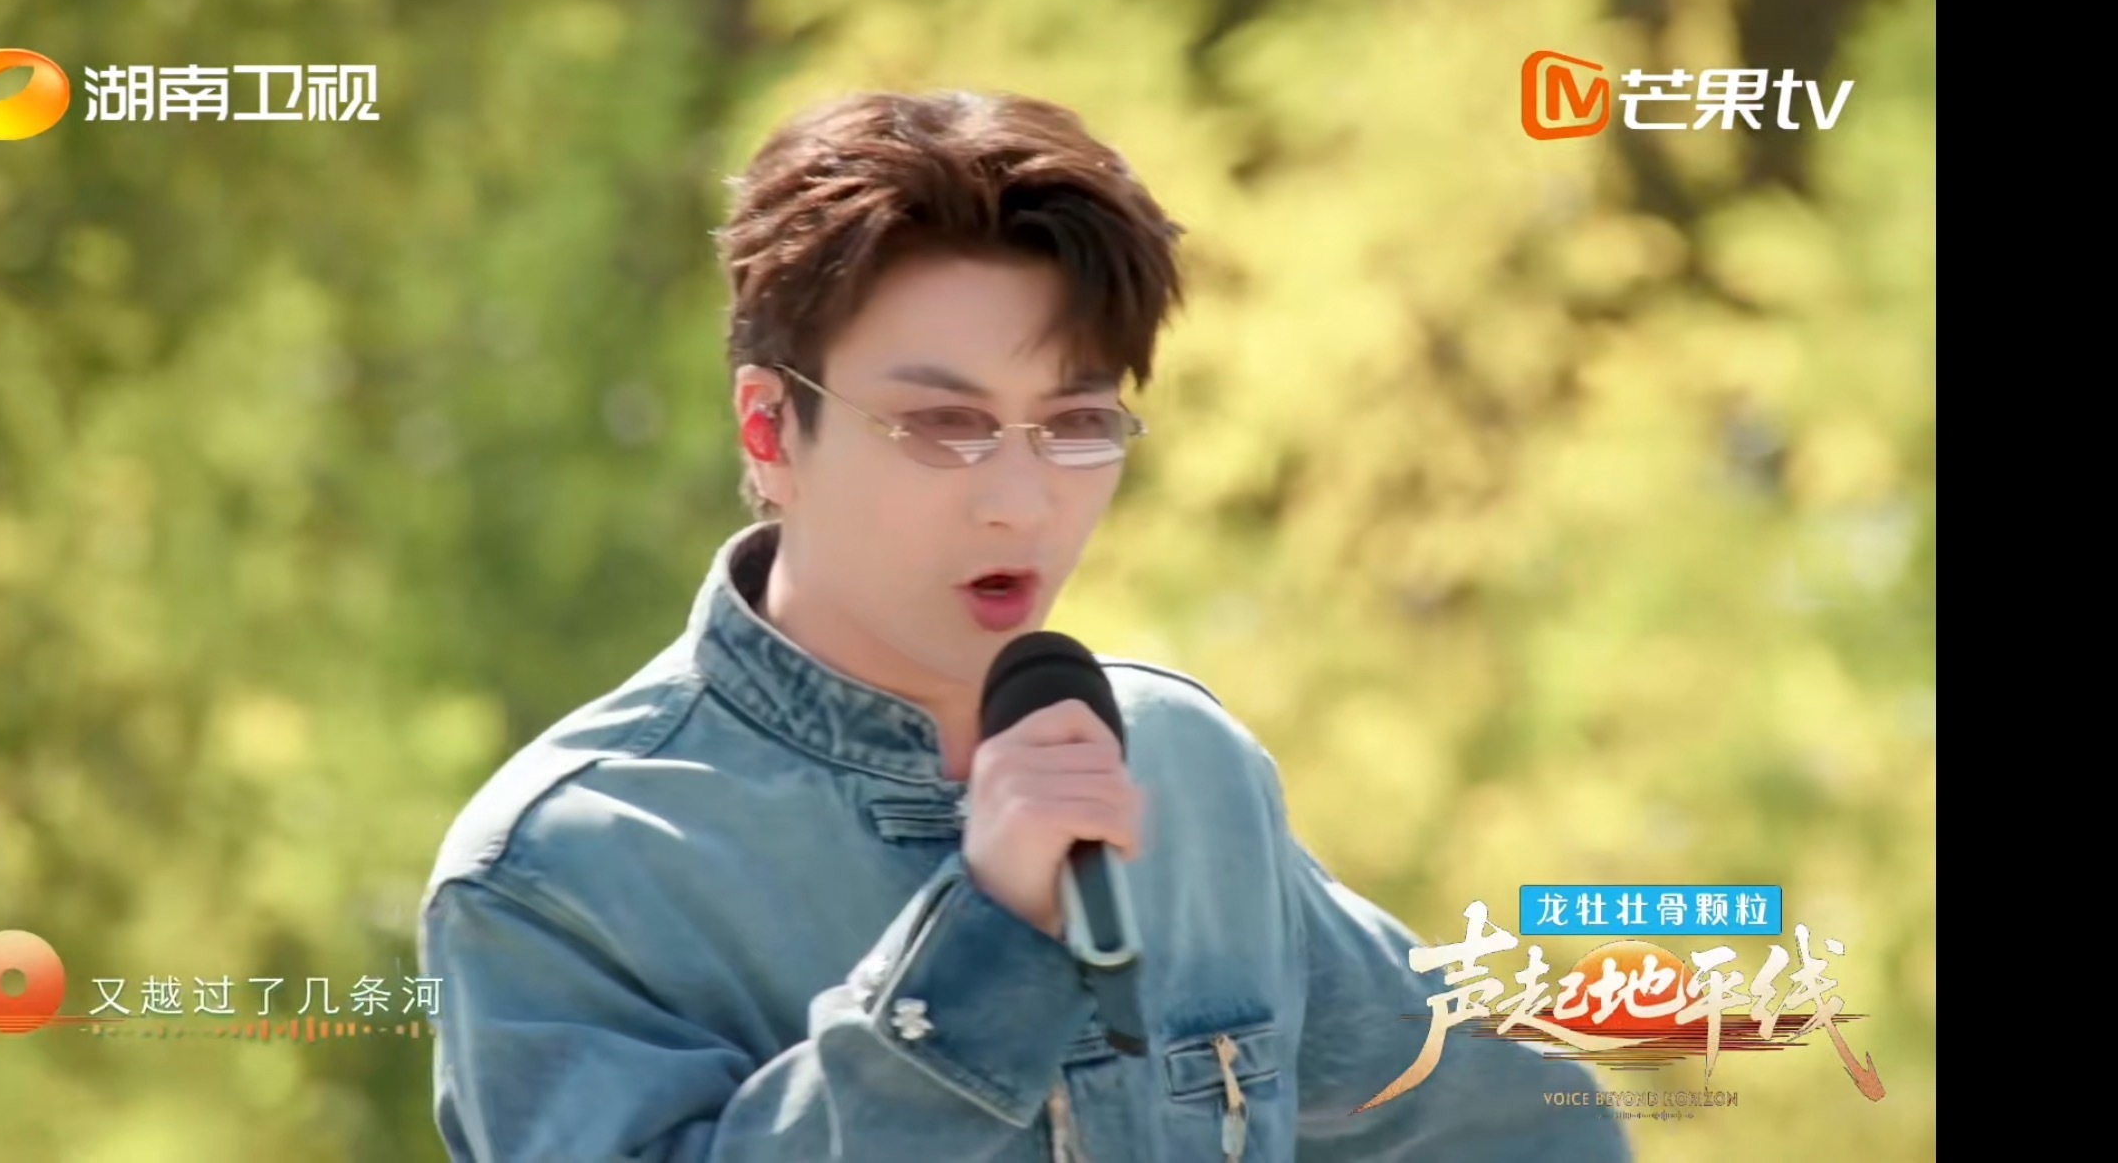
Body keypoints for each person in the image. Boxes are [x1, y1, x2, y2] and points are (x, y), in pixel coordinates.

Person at [419, 90, 1626, 1162]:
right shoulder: (566, 868)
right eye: (942, 427)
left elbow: (1513, 1126)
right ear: (769, 430)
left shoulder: (1177, 766)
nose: (1020, 501)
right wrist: (985, 950)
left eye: (1075, 425)